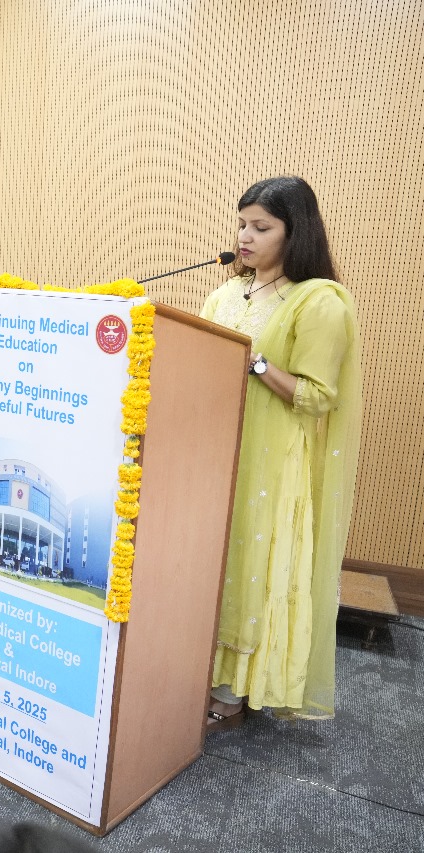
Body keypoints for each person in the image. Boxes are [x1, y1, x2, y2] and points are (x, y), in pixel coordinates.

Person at [200, 176, 362, 726]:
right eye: (242, 224)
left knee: (251, 564)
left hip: (270, 461)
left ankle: (235, 690)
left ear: (296, 233)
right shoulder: (225, 295)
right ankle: (196, 667)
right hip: (212, 451)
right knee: (208, 559)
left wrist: (257, 364)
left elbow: (317, 397)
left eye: (261, 227)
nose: (244, 237)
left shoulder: (319, 302)